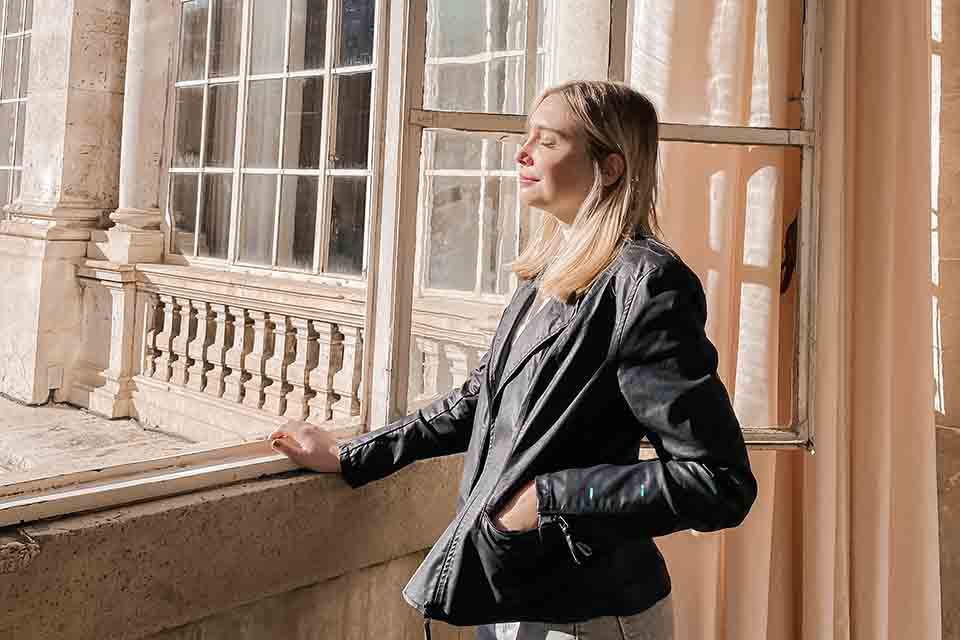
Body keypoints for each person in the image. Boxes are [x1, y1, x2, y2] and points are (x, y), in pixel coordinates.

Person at [268, 80, 758, 640]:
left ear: (611, 167)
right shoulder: (547, 272)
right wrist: (355, 455)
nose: (522, 153)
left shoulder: (647, 286)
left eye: (547, 142)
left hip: (587, 617)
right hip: (509, 595)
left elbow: (717, 480)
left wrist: (550, 499)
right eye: (527, 137)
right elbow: (482, 401)